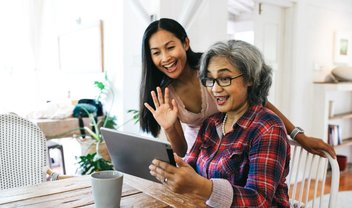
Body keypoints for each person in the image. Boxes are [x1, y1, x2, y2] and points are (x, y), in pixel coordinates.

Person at [139, 18, 335, 158]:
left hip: (238, 148)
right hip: (204, 157)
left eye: (170, 47)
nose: (165, 58)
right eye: (156, 52)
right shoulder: (163, 94)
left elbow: (260, 102)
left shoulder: (211, 68)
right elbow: (181, 152)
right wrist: (169, 127)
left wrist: (299, 136)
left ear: (186, 43)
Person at [148, 40, 290, 207]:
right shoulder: (212, 123)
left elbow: (259, 201)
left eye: (224, 78)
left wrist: (202, 186)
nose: (215, 89)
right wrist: (171, 168)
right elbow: (190, 167)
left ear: (250, 79)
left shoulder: (268, 128)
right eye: (210, 79)